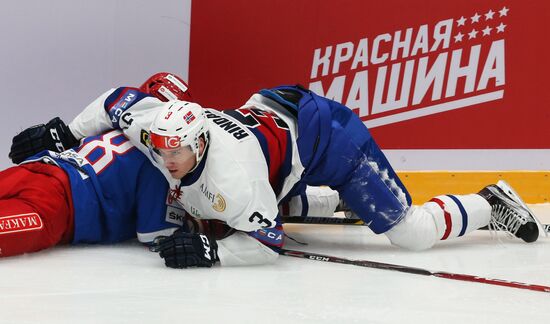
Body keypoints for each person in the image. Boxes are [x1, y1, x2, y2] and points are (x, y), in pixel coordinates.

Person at [9, 84, 540, 269]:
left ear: (201, 145)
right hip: (268, 115)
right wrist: (66, 129)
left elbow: (268, 243)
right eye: (160, 148)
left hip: (328, 139)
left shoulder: (233, 178)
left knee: (412, 233)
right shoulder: (158, 128)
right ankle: (323, 203)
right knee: (220, 210)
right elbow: (115, 100)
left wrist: (217, 254)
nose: (165, 159)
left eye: (178, 152)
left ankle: (489, 201)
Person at [0, 73, 196, 258]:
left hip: (35, 168)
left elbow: (109, 102)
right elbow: (157, 236)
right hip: (60, 202)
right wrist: (194, 224)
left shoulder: (107, 126)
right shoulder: (162, 166)